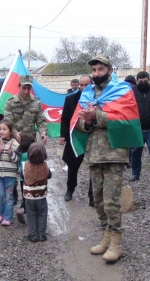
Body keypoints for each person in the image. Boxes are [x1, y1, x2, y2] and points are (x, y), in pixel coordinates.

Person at [76, 54, 142, 262]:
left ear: (110, 70)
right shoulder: (87, 93)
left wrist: (97, 116)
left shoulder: (122, 91)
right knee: (97, 200)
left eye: (100, 69)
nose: (96, 73)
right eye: (94, 70)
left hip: (114, 153)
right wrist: (85, 121)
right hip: (94, 154)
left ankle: (116, 242)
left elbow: (126, 121)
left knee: (111, 201)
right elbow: (78, 125)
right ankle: (105, 235)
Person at [59, 75, 94, 206]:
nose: (84, 88)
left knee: (94, 167)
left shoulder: (97, 98)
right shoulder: (71, 99)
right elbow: (65, 119)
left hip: (92, 137)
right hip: (75, 138)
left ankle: (92, 196)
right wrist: (63, 135)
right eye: (81, 85)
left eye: (87, 85)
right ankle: (70, 189)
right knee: (72, 166)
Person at [21, 142, 52, 242]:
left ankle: (32, 234)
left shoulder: (25, 165)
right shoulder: (45, 166)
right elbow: (49, 175)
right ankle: (42, 234)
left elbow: (22, 175)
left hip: (29, 197)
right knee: (42, 214)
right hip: (41, 196)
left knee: (31, 215)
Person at [4, 75, 48, 144]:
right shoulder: (10, 102)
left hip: (31, 141)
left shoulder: (36, 102)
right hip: (14, 141)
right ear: (19, 86)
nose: (26, 91)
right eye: (24, 88)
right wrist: (15, 134)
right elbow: (8, 122)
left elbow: (41, 121)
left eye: (29, 88)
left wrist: (43, 134)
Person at [0, 119, 20, 226]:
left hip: (11, 175)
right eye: (0, 129)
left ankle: (8, 217)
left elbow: (17, 160)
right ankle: (1, 212)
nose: (1, 131)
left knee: (9, 196)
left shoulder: (16, 144)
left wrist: (10, 153)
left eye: (4, 129)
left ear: (11, 131)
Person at [16, 133, 36, 224]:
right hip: (33, 179)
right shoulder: (32, 154)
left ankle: (22, 209)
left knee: (25, 196)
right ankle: (30, 213)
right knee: (33, 196)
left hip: (22, 179)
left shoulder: (20, 153)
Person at [124, 75, 137, 168]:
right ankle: (126, 161)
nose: (130, 86)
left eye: (132, 84)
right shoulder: (121, 93)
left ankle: (131, 161)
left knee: (133, 145)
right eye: (128, 84)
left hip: (133, 121)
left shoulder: (137, 93)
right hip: (124, 121)